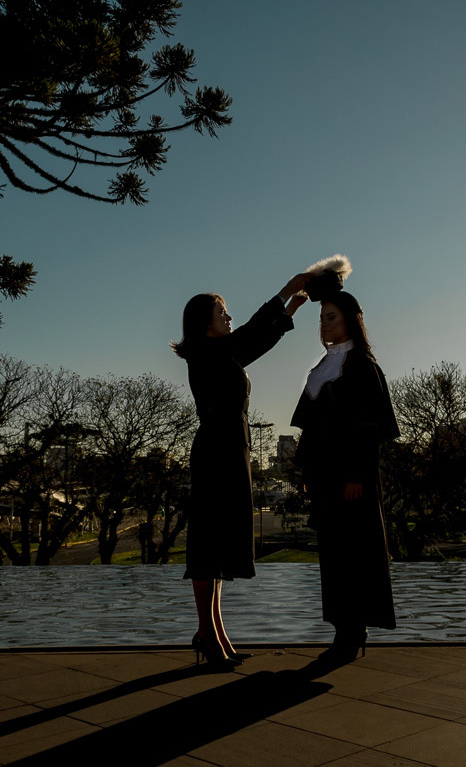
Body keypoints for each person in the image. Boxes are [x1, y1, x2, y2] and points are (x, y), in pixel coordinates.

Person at [173, 273, 308, 668]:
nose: (228, 317)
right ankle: (208, 635)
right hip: (216, 452)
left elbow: (256, 341)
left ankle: (213, 633)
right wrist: (285, 291)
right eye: (222, 312)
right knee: (206, 545)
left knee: (217, 546)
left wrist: (290, 311)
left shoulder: (223, 353)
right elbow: (249, 334)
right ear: (204, 321)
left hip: (232, 451)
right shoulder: (203, 352)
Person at [291, 289, 399, 663]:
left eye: (331, 317)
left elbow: (369, 429)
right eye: (322, 318)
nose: (325, 323)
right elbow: (311, 429)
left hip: (352, 479)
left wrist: (357, 476)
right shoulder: (323, 366)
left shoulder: (362, 366)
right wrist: (306, 471)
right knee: (333, 555)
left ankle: (354, 630)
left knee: (355, 553)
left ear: (351, 320)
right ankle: (342, 627)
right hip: (324, 478)